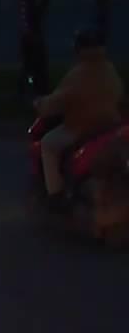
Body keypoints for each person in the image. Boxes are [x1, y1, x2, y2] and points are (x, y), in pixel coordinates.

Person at [34, 28, 124, 212]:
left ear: (79, 48)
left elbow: (59, 100)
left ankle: (55, 194)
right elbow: (119, 93)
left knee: (48, 144)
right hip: (109, 125)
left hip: (82, 127)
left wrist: (41, 104)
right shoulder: (109, 69)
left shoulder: (78, 73)